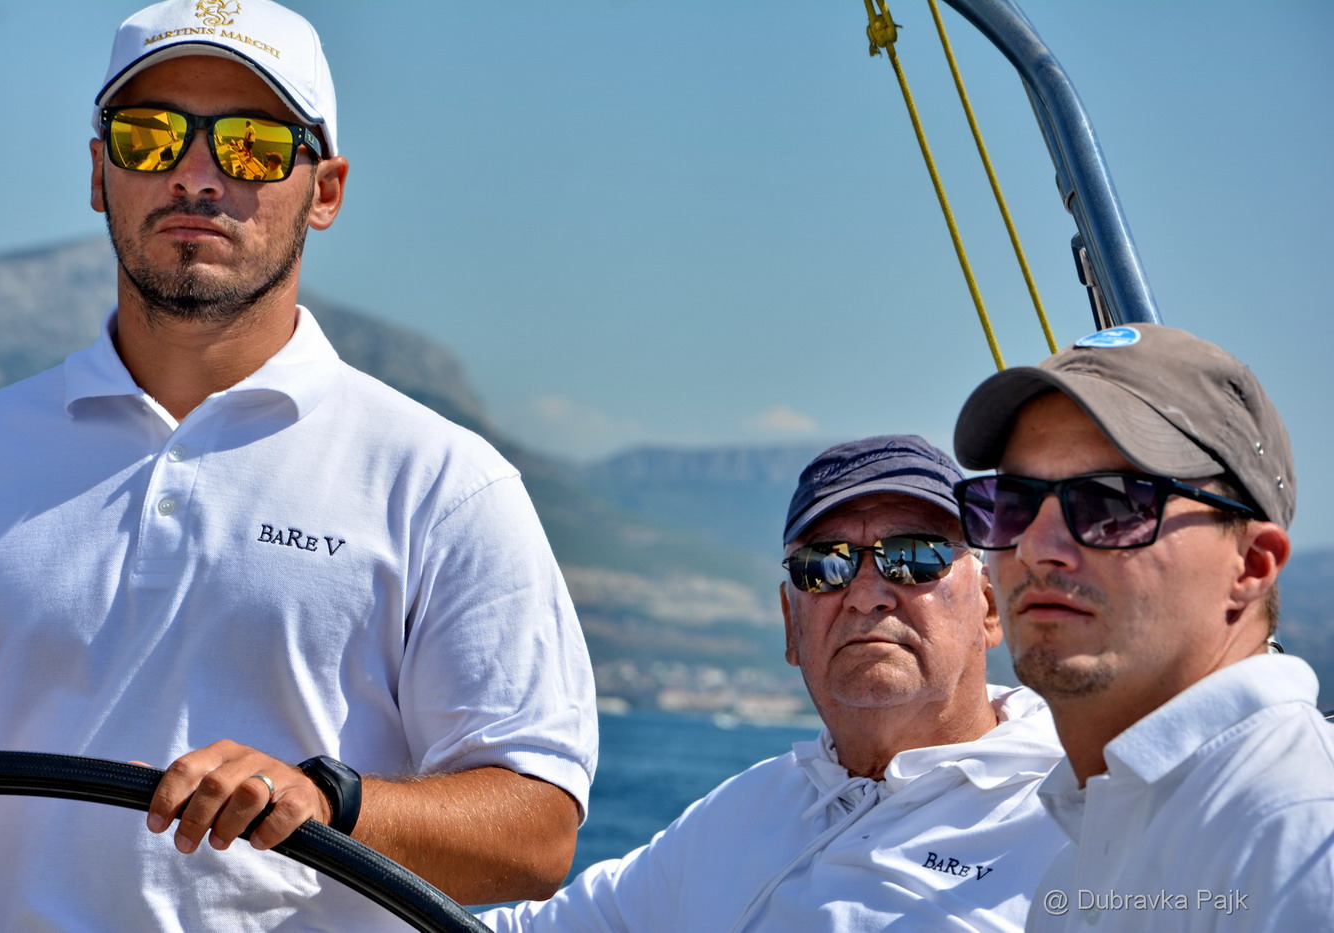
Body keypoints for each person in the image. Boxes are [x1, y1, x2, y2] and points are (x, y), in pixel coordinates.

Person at [0, 1, 597, 929]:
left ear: (326, 191)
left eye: (252, 146)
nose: (195, 174)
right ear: (98, 171)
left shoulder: (444, 485)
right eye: (150, 135)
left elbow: (537, 834)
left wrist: (326, 800)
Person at [482, 435, 1067, 933]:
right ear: (791, 625)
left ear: (990, 608)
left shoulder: (1078, 814)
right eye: (825, 565)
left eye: (913, 556)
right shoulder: (738, 819)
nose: (866, 594)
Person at [952, 323, 1334, 932]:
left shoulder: (1303, 839)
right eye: (1014, 503)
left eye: (1114, 504)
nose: (1037, 547)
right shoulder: (1080, 861)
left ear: (1252, 565)